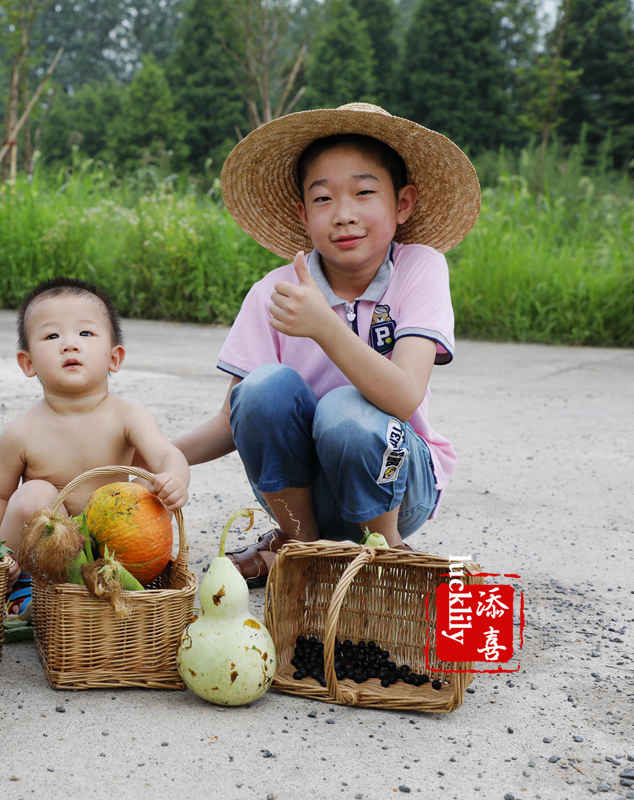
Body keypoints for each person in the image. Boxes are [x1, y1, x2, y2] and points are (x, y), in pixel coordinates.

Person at [172, 102, 481, 588]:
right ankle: (300, 546)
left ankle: (384, 554)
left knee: (345, 410)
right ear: (302, 212)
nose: (344, 215)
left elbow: (403, 396)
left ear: (402, 204)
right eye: (323, 199)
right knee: (262, 387)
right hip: (305, 497)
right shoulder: (276, 292)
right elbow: (236, 418)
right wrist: (157, 455)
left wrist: (324, 326)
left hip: (396, 484)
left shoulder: (420, 268)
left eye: (363, 193)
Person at [0, 277, 190, 614]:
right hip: (43, 558)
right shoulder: (21, 431)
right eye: (51, 336)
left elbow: (166, 454)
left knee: (142, 495)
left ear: (114, 357)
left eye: (85, 333)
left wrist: (176, 478)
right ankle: (27, 587)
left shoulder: (129, 415)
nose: (69, 344)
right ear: (28, 363)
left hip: (110, 551)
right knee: (34, 496)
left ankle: (104, 596)